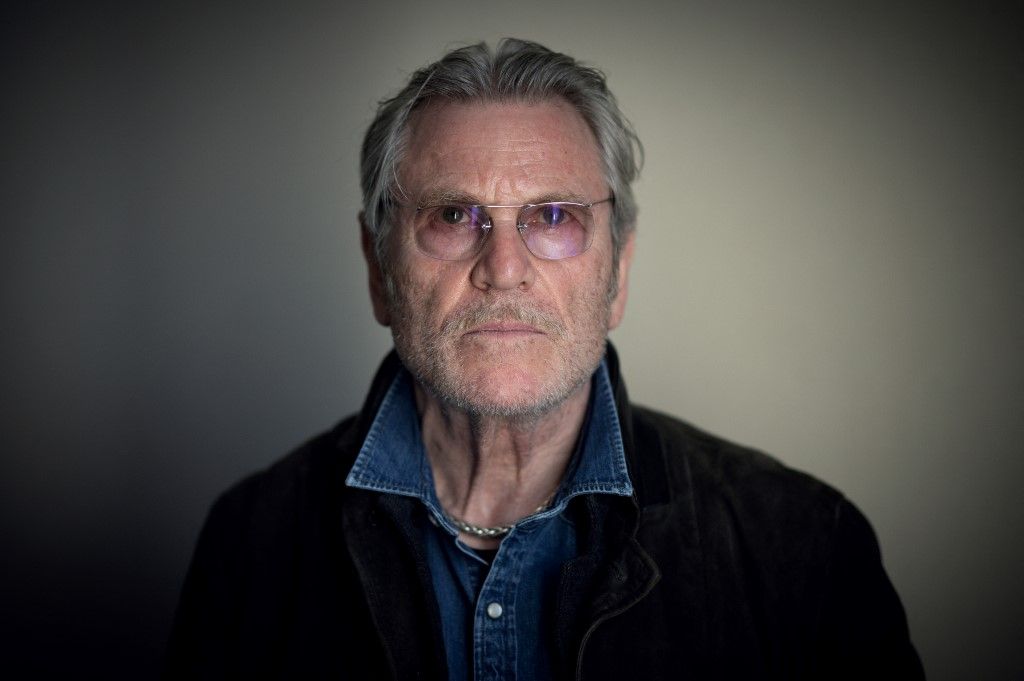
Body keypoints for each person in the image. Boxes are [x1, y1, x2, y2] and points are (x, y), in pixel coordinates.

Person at [165, 38, 924, 680]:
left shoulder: (804, 546)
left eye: (553, 216)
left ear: (618, 271)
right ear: (378, 270)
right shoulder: (252, 539)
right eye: (453, 215)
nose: (504, 266)